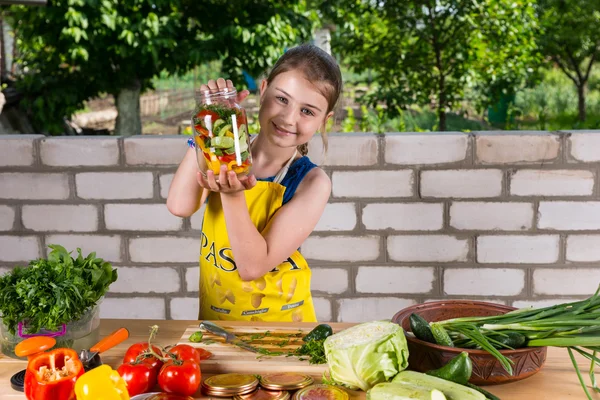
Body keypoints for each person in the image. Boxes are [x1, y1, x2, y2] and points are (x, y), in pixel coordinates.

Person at [167, 43, 342, 322]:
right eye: (282, 99)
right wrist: (211, 127)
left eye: (307, 111)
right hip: (218, 321)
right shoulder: (222, 151)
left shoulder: (312, 182)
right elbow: (180, 205)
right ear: (263, 91)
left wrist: (233, 195)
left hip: (282, 328)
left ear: (325, 120)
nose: (288, 118)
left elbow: (252, 266)